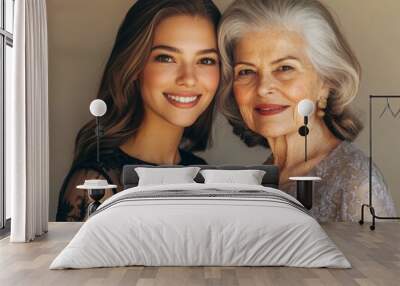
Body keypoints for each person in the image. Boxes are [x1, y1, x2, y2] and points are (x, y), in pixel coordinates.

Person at [218, 0, 397, 221]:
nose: (263, 88)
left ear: (326, 82)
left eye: (285, 68)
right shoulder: (257, 179)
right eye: (246, 71)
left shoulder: (356, 183)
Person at [56, 0, 221, 221]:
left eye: (206, 60)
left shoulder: (203, 173)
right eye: (166, 58)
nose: (188, 79)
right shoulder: (98, 181)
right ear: (134, 66)